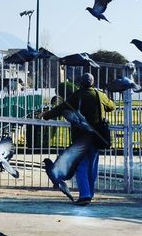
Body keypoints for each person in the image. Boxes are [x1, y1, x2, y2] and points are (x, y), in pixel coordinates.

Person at [43, 72, 115, 205]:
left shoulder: (76, 96)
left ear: (80, 83)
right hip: (97, 137)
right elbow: (112, 107)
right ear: (92, 83)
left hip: (80, 137)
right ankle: (90, 193)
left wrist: (46, 115)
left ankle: (85, 195)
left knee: (81, 165)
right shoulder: (99, 95)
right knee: (92, 166)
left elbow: (60, 109)